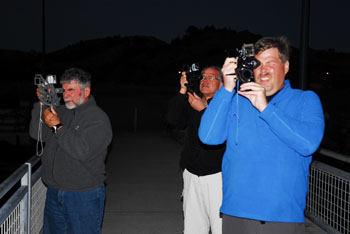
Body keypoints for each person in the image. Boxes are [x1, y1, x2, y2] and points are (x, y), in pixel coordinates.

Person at [198, 36, 325, 234]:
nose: (263, 69)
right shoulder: (236, 99)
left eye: (271, 63)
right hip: (234, 214)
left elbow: (308, 143)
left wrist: (265, 108)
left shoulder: (305, 100)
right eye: (257, 64)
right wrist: (226, 88)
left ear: (286, 66)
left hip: (281, 219)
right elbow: (208, 137)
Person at [29, 68, 113, 234]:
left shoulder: (98, 118)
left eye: (71, 90)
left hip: (83, 195)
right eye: (63, 90)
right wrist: (42, 104)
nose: (65, 95)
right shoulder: (60, 111)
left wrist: (58, 127)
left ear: (86, 91)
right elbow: (37, 135)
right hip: (54, 191)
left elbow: (82, 150)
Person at [166, 66, 226, 234]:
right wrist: (182, 90)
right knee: (193, 226)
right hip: (192, 173)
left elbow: (219, 132)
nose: (205, 80)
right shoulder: (194, 100)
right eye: (203, 77)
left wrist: (203, 111)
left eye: (211, 78)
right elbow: (173, 120)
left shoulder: (226, 104)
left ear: (222, 84)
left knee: (220, 226)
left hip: (217, 177)